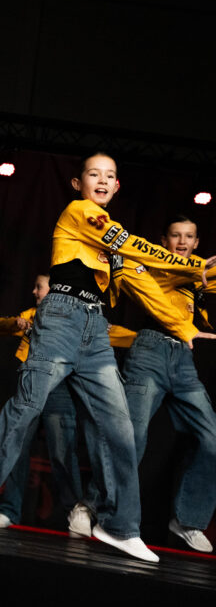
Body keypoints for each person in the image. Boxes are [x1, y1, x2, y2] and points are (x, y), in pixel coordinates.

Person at [0, 153, 215, 562]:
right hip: (61, 318)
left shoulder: (112, 246)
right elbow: (135, 245)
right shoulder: (80, 212)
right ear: (78, 183)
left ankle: (119, 525)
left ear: (117, 186)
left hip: (95, 330)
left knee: (120, 428)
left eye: (110, 175)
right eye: (93, 173)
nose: (102, 180)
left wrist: (182, 325)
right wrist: (189, 264)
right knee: (29, 405)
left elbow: (144, 285)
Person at [0, 275, 135, 532]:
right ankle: (9, 509)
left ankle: (74, 514)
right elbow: (1, 325)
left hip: (59, 390)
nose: (34, 292)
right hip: (32, 385)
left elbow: (121, 335)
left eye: (39, 287)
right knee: (16, 445)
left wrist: (145, 339)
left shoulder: (79, 317)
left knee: (62, 450)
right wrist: (15, 323)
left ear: (55, 289)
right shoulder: (32, 315)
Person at [110, 215, 216, 553]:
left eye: (189, 236)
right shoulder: (157, 265)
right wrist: (201, 270)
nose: (182, 242)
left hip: (183, 362)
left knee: (212, 439)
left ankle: (187, 520)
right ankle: (101, 508)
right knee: (132, 438)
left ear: (197, 242)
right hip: (150, 353)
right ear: (163, 240)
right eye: (175, 235)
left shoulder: (199, 277)